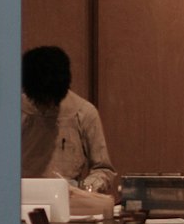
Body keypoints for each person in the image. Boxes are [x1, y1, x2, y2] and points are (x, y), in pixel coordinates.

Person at [19, 45, 117, 212]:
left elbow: (104, 169)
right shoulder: (15, 111)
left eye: (51, 99)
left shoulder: (83, 112)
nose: (46, 105)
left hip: (68, 203)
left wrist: (84, 189)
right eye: (40, 99)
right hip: (22, 201)